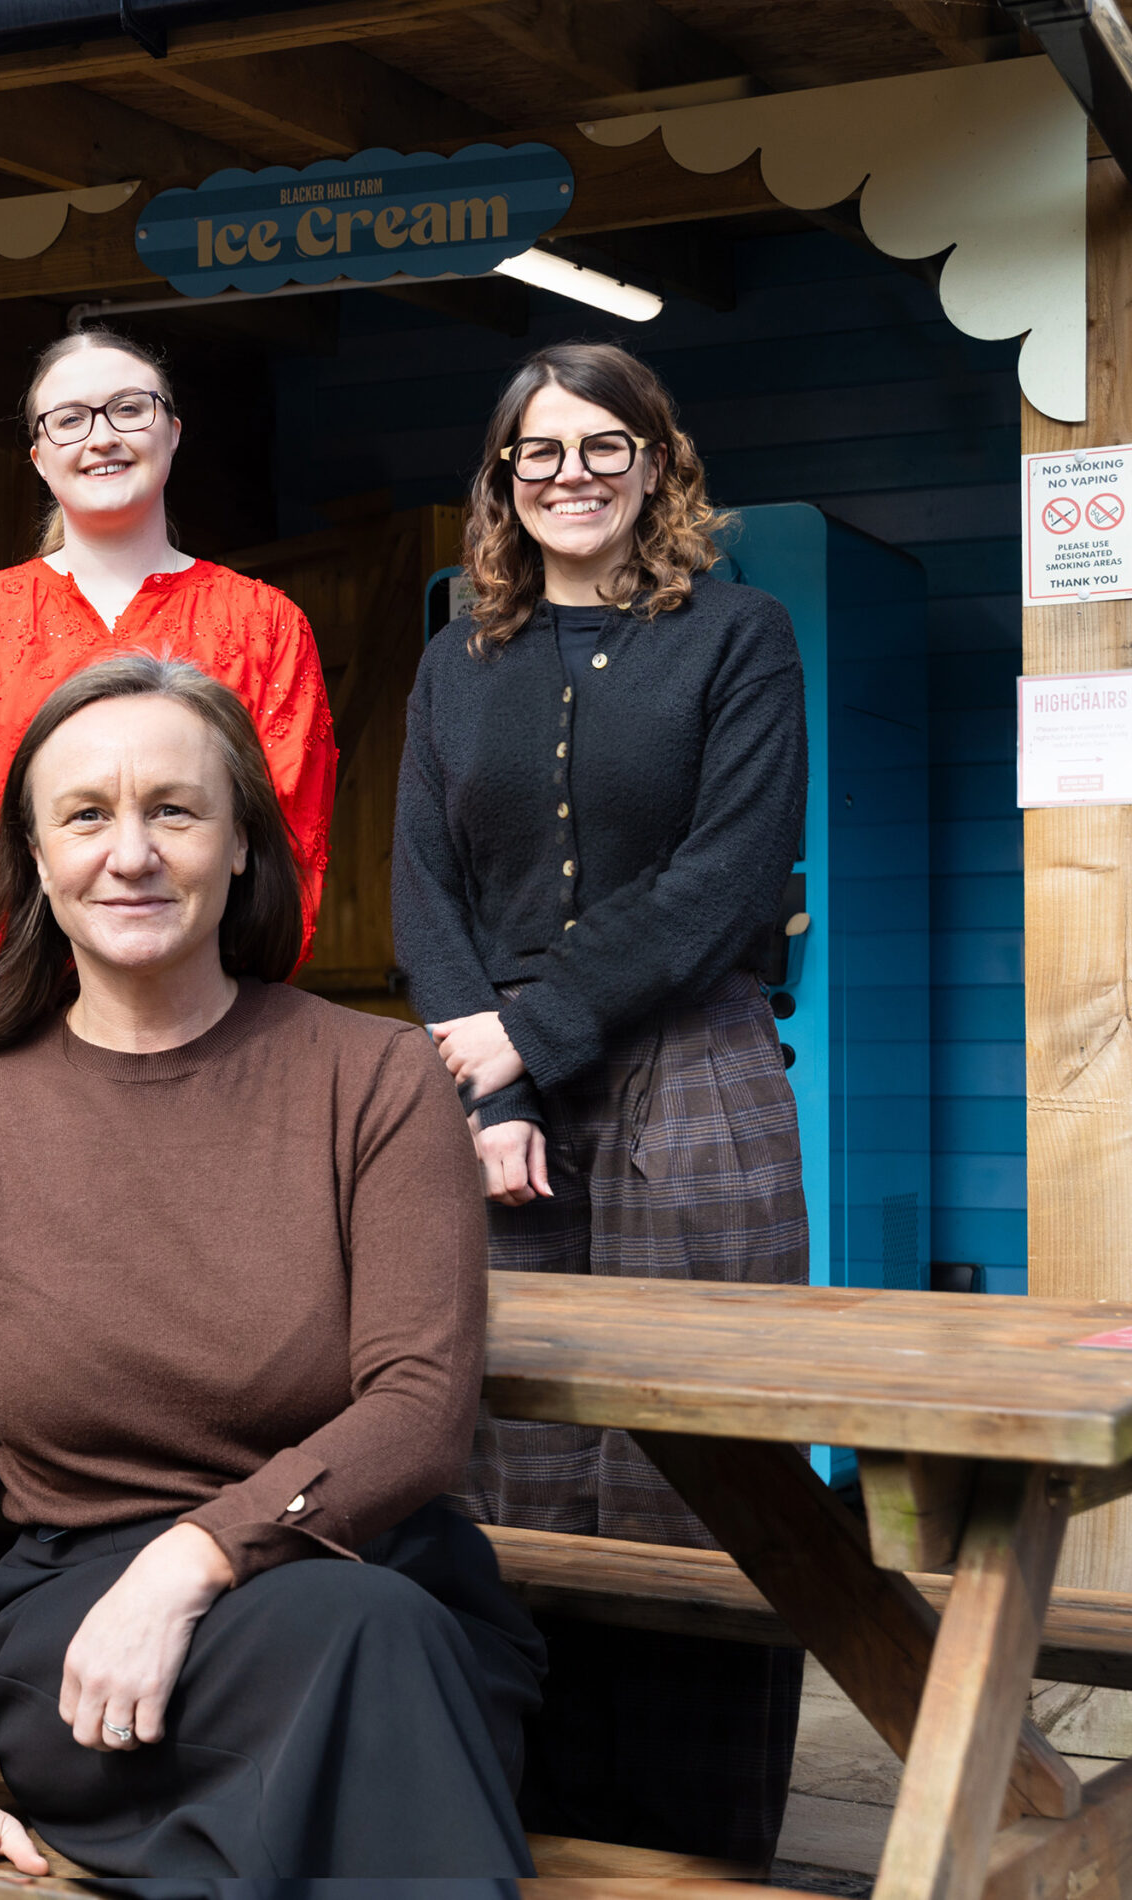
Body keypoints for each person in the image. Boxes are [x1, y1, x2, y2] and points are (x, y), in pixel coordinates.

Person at [0, 652, 543, 1882]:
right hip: (83, 1642)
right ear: (34, 858)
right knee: (375, 1663)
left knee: (372, 1632)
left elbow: (419, 1409)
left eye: (174, 811)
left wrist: (194, 1559)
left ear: (241, 846)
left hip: (361, 1567)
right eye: (86, 815)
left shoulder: (375, 1079)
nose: (130, 853)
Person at [393, 341, 810, 1867]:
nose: (571, 475)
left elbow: (729, 877)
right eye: (540, 452)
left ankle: (705, 1843)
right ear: (505, 479)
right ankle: (534, 1818)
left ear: (656, 463)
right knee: (507, 1448)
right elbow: (423, 886)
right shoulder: (456, 658)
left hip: (696, 1066)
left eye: (603, 446)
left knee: (703, 1455)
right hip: (496, 1092)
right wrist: (486, 1086)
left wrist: (528, 1037)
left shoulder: (740, 637)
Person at [0, 324, 336, 995]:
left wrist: (207, 1004)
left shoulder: (266, 623)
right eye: (70, 420)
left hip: (213, 1010)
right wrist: (23, 1011)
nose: (102, 436)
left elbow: (287, 845)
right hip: (21, 1011)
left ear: (173, 433)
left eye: (129, 408)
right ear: (39, 457)